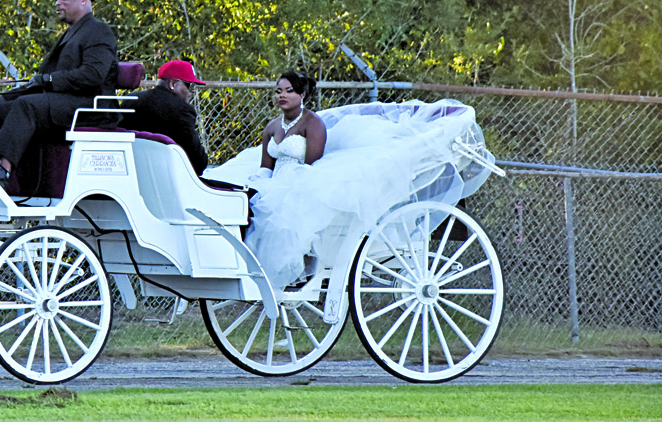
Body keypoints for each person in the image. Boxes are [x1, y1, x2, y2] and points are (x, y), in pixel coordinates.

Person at [204, 71, 496, 291]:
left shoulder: (312, 124)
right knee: (248, 196)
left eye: (288, 91)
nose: (281, 96)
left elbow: (314, 163)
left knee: (289, 209)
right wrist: (261, 185)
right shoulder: (271, 127)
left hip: (304, 176)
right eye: (278, 91)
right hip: (276, 179)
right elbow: (265, 166)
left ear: (301, 95)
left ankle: (292, 263)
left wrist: (289, 186)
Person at [0, 0, 118, 192]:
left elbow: (93, 75)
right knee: (0, 106)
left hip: (91, 106)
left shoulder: (98, 31)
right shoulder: (72, 32)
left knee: (27, 106)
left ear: (84, 0)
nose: (58, 3)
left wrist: (50, 80)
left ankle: (3, 171)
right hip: (67, 101)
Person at [131, 59, 210, 175]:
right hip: (170, 177)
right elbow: (198, 163)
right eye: (190, 85)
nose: (193, 91)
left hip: (135, 173)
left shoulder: (132, 100)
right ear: (173, 84)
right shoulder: (182, 110)